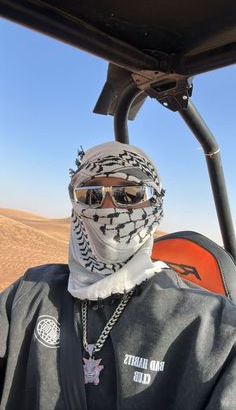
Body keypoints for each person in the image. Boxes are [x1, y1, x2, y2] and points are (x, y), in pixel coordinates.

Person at [0, 141, 236, 410]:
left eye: (130, 194)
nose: (109, 208)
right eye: (91, 195)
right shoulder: (30, 293)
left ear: (155, 204)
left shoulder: (211, 325)